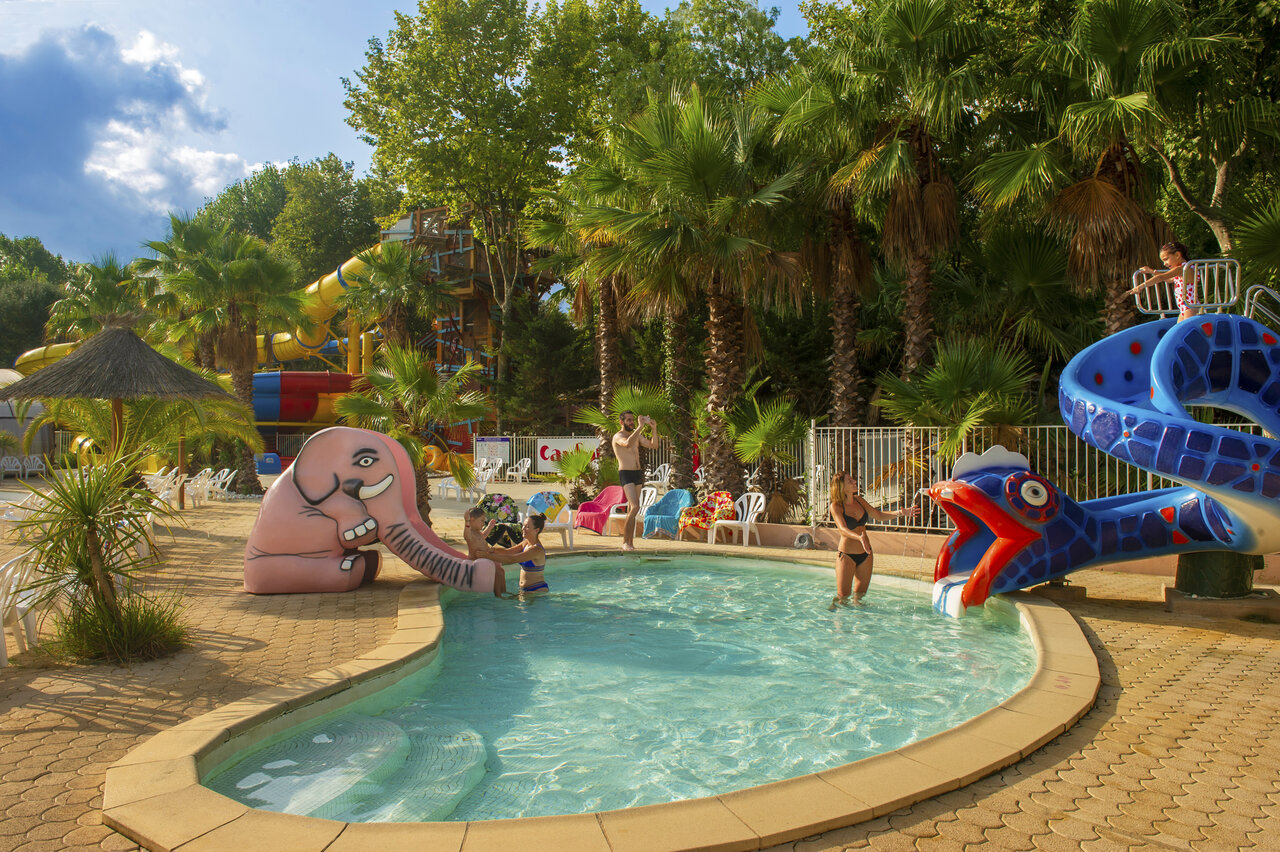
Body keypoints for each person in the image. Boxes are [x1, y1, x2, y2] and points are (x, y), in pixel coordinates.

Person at [829, 471, 919, 608]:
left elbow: (879, 515)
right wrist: (859, 537)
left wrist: (900, 513)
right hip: (846, 555)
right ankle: (836, 623)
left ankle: (860, 627)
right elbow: (842, 529)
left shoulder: (859, 500)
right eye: (849, 481)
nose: (854, 482)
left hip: (866, 554)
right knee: (842, 598)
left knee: (859, 597)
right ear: (841, 486)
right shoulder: (836, 506)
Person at [612, 410, 659, 552]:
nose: (631, 422)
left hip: (637, 473)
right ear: (622, 422)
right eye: (628, 420)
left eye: (632, 420)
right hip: (626, 473)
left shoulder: (636, 436)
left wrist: (654, 429)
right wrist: (639, 427)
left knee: (632, 510)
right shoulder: (618, 436)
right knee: (635, 507)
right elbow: (626, 444)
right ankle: (625, 542)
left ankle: (630, 542)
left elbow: (653, 445)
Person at [1129, 241, 1198, 321]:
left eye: (1166, 259)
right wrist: (1152, 271)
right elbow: (1168, 280)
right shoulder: (1182, 270)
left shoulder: (1183, 268)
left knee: (1187, 331)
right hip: (1185, 307)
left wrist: (1141, 286)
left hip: (1190, 306)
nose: (1164, 264)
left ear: (1177, 255)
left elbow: (1160, 278)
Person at [489, 514, 549, 595]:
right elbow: (507, 552)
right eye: (523, 526)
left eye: (527, 527)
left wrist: (487, 556)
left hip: (536, 590)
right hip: (525, 590)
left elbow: (512, 559)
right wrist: (490, 550)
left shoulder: (536, 550)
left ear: (536, 530)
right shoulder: (526, 543)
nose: (523, 529)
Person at [463, 507, 508, 596]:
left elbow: (483, 536)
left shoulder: (478, 532)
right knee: (498, 572)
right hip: (475, 560)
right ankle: (499, 595)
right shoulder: (470, 533)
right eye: (482, 521)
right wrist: (467, 521)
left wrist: (489, 527)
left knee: (501, 571)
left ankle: (503, 591)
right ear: (472, 520)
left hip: (484, 559)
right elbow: (466, 536)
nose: (483, 523)